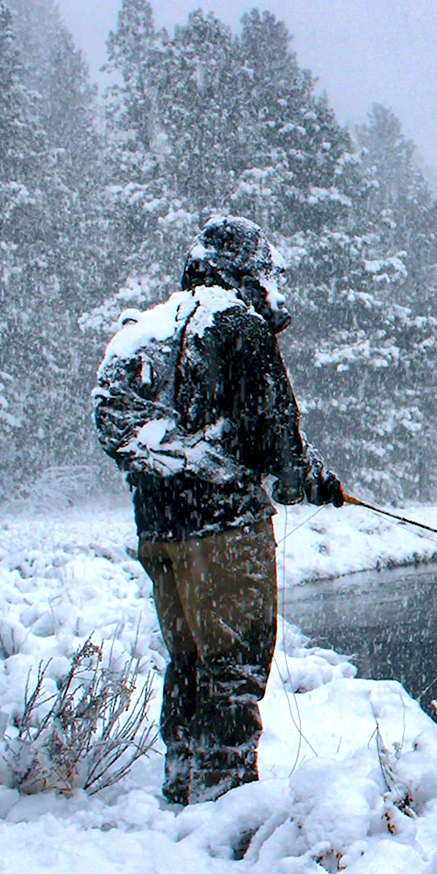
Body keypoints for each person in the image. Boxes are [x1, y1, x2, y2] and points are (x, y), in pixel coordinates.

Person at [93, 215, 344, 804]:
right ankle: (222, 806)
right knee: (234, 670)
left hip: (159, 534)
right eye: (265, 270)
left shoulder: (145, 328)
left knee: (188, 667)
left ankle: (182, 788)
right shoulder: (238, 325)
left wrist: (175, 471)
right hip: (227, 535)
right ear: (248, 268)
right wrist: (312, 481)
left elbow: (113, 422)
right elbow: (274, 441)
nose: (269, 284)